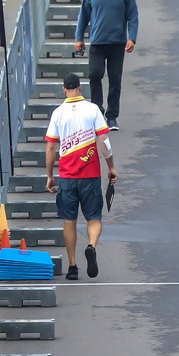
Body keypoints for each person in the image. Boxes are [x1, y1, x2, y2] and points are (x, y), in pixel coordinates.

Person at [45, 73, 119, 281]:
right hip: (90, 175)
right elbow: (104, 141)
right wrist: (111, 167)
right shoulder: (92, 109)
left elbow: (51, 147)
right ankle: (91, 246)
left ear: (64, 90)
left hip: (67, 176)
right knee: (94, 218)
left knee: (69, 220)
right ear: (80, 88)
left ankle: (72, 267)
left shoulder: (58, 113)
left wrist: (50, 176)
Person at [75, 0, 139, 131]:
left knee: (115, 79)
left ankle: (111, 117)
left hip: (117, 43)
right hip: (98, 42)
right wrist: (79, 38)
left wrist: (132, 38)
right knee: (95, 75)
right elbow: (84, 14)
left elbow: (133, 16)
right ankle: (97, 113)